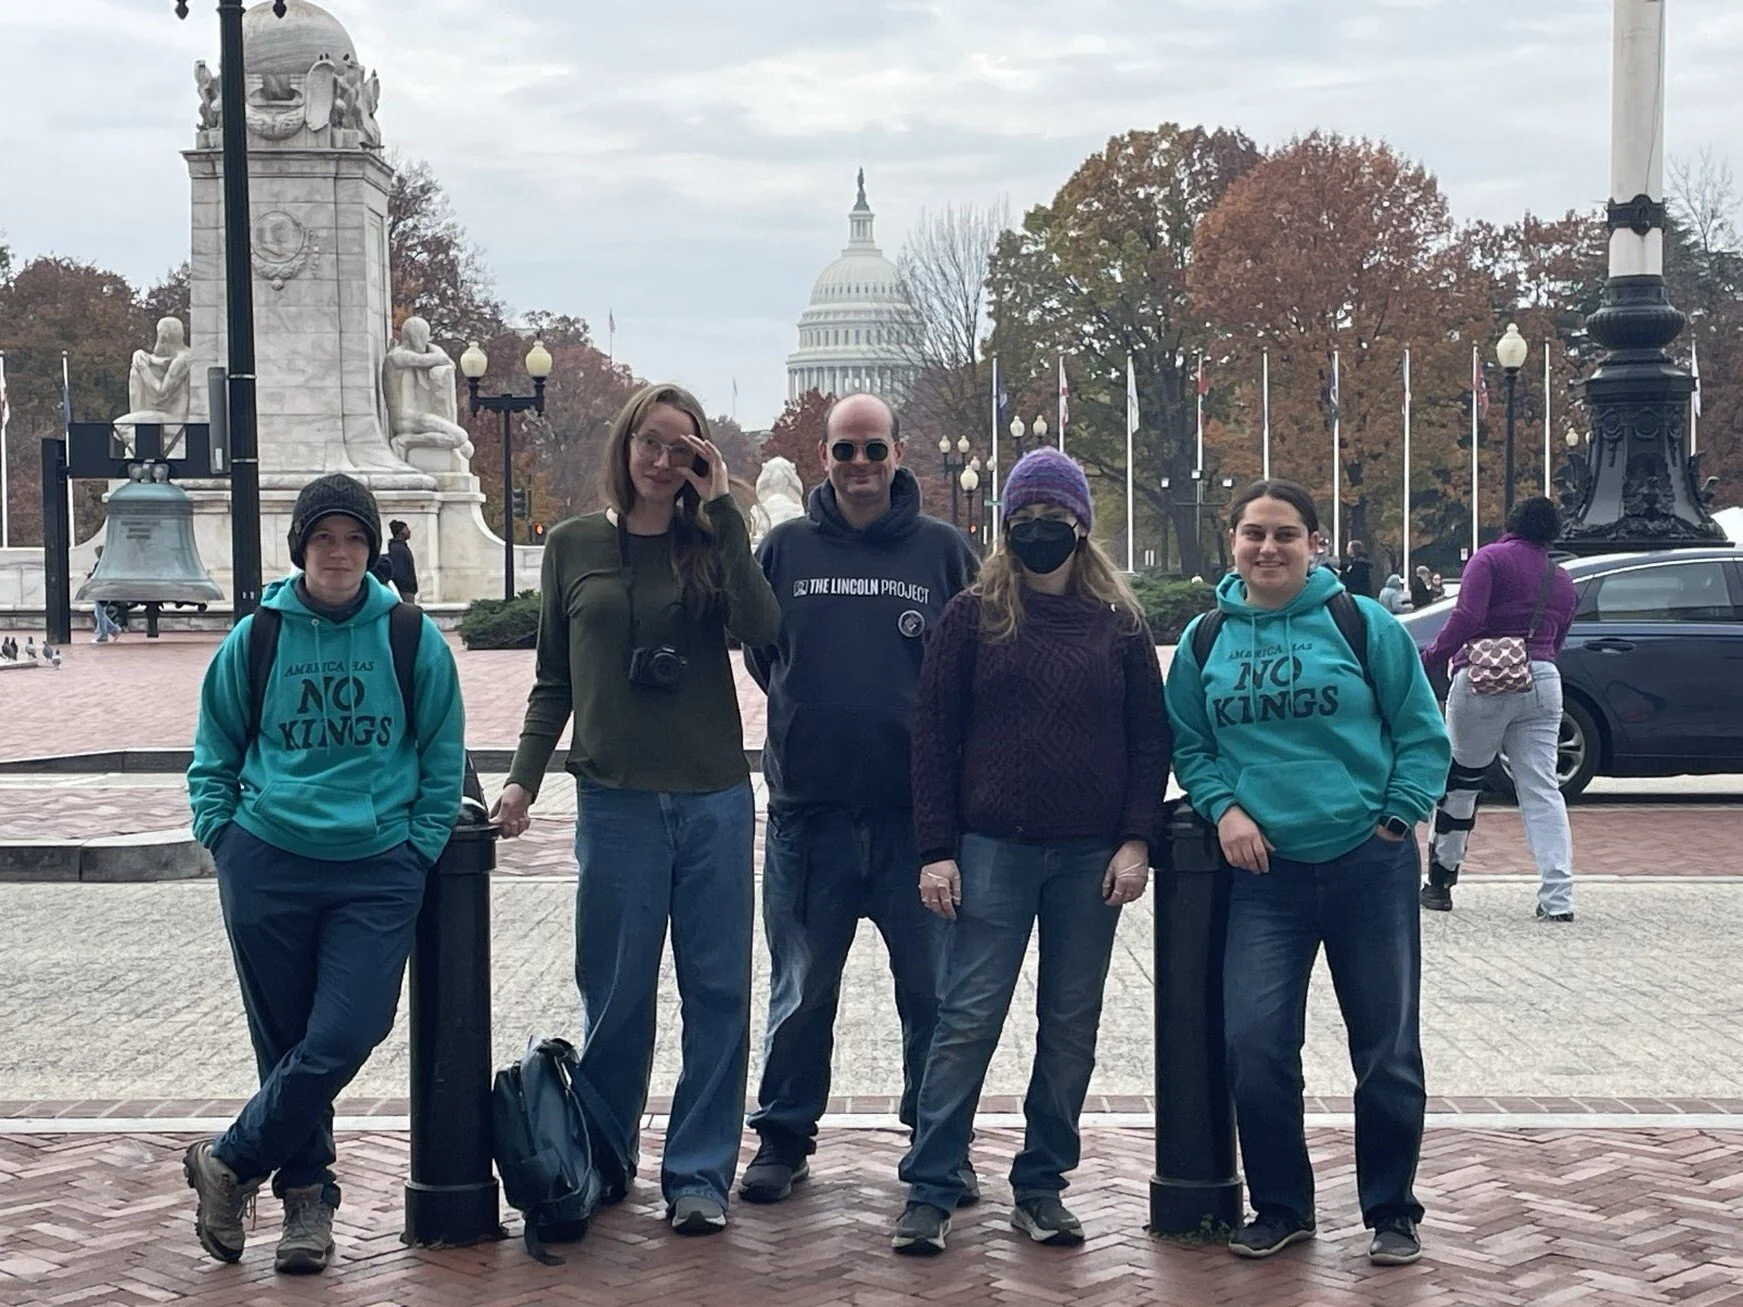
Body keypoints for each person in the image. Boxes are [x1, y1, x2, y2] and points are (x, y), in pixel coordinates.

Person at [492, 382, 781, 1235]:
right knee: (615, 993)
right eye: (649, 444)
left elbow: (764, 626)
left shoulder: (710, 541)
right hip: (614, 799)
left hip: (713, 799)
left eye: (681, 449)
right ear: (624, 448)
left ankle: (698, 1174)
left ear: (699, 459)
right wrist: (522, 778)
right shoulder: (574, 544)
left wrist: (724, 511)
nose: (662, 462)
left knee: (718, 991)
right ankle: (606, 1159)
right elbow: (554, 680)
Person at [183, 472, 465, 1275]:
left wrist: (417, 844)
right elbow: (215, 750)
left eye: (353, 538)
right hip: (267, 857)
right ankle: (308, 1203)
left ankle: (230, 1159)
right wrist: (223, 836)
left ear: (372, 550)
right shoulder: (259, 636)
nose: (338, 553)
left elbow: (444, 756)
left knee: (347, 1028)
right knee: (285, 1042)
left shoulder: (410, 635)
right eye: (323, 538)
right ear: (301, 547)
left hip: (376, 866)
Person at [1165, 479, 1450, 1267]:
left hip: (1368, 863)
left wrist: (1396, 817)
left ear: (1312, 543)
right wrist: (1224, 808)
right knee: (1254, 1042)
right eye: (1253, 533)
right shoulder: (1203, 640)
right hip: (1266, 876)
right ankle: (1282, 1203)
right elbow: (1190, 745)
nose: (1267, 547)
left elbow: (1422, 733)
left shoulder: (1362, 625)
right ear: (1231, 542)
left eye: (1284, 533)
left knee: (1386, 1047)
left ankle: (1391, 1208)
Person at [892, 448, 1169, 1255]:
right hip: (990, 851)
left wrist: (1134, 838)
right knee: (966, 1019)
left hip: (1090, 858)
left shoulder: (1119, 624)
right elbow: (932, 740)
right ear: (1004, 526)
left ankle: (1042, 1183)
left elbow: (1149, 741)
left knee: (1070, 1025)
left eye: (1055, 520)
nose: (1039, 532)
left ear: (1081, 527)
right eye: (1025, 520)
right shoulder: (970, 616)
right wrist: (936, 848)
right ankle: (932, 1182)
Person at [740, 393, 980, 1205]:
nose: (860, 466)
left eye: (873, 450)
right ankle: (782, 1134)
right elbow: (766, 656)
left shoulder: (946, 552)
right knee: (800, 991)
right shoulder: (785, 549)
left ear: (898, 453)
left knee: (933, 994)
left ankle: (939, 1139)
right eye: (845, 451)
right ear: (823, 457)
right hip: (811, 818)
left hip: (922, 824)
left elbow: (974, 666)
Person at [1419, 496, 1578, 920]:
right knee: (1542, 788)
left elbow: (1468, 617)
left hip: (1483, 677)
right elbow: (1558, 639)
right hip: (1542, 678)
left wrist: (1432, 657)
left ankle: (1440, 882)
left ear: (1512, 522)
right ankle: (1558, 897)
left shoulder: (1489, 560)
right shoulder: (1562, 579)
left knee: (1463, 780)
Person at [86, 548, 122, 643]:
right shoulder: (108, 565)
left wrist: (89, 577)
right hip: (105, 590)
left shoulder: (100, 564)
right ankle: (114, 630)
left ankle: (102, 635)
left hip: (100, 590)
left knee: (100, 614)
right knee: (99, 613)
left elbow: (95, 576)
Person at [386, 519, 419, 600]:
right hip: (405, 589)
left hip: (408, 588)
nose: (409, 531)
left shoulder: (400, 547)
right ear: (402, 532)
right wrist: (406, 586)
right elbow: (400, 570)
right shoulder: (398, 549)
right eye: (407, 529)